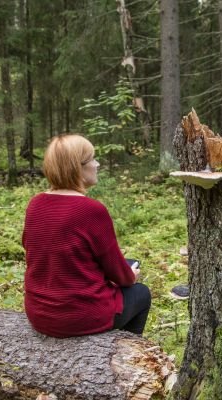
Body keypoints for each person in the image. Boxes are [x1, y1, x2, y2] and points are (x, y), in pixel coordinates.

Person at [22, 134, 151, 338]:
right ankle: (122, 350)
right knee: (141, 293)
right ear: (78, 167)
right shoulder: (91, 210)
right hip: (78, 318)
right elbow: (118, 273)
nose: (97, 164)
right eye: (92, 159)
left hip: (38, 313)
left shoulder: (35, 204)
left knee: (129, 261)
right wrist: (130, 277)